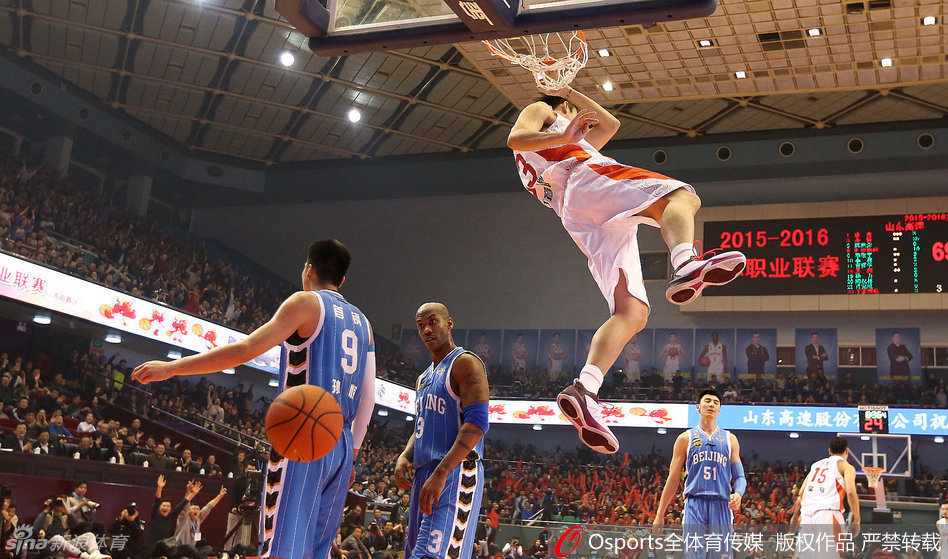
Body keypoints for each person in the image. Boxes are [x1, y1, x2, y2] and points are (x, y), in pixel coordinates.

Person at [508, 85, 745, 453]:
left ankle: (585, 389)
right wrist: (563, 106)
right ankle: (685, 262)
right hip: (586, 180)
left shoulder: (559, 146)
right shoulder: (543, 110)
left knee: (632, 312)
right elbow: (515, 138)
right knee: (681, 196)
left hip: (577, 214)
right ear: (563, 109)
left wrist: (571, 94)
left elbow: (610, 124)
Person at [132, 239, 377, 559]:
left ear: (308, 269)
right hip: (341, 443)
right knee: (319, 550)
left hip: (303, 435)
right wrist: (353, 455)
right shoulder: (365, 324)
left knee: (285, 547)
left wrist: (172, 368)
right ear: (342, 280)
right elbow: (369, 398)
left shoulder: (304, 303)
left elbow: (245, 350)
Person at [393, 303, 489, 559]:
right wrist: (405, 455)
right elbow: (421, 426)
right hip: (425, 474)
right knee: (415, 552)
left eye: (432, 322)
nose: (426, 329)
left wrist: (443, 470)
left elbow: (477, 424)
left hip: (455, 471)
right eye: (421, 325)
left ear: (449, 323)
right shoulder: (423, 378)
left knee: (432, 555)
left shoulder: (465, 363)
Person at [653, 390, 745, 559]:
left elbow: (740, 477)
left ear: (720, 410)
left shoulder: (730, 439)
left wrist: (738, 493)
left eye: (716, 402)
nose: (711, 404)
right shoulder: (685, 438)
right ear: (698, 407)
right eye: (707, 401)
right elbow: (673, 479)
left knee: (721, 556)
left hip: (721, 504)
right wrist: (660, 514)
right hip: (695, 503)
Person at [789, 437, 860, 559]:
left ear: (829, 451)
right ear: (846, 451)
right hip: (828, 515)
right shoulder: (846, 466)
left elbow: (801, 492)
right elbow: (851, 492)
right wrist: (857, 519)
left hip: (807, 516)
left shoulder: (816, 465)